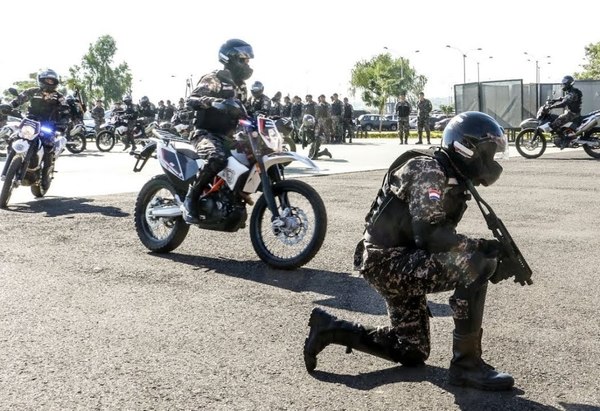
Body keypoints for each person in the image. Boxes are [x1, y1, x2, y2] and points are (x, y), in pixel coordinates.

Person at [303, 111, 515, 391]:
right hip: (386, 261)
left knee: (411, 350)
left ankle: (330, 328)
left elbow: (436, 236)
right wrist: (480, 248)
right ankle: (467, 366)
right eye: (488, 154)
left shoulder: (453, 177)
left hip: (400, 259)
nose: (491, 163)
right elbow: (430, 235)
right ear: (466, 149)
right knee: (474, 263)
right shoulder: (427, 169)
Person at [182, 38, 254, 224]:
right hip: (205, 133)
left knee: (254, 157)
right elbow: (192, 99)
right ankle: (191, 197)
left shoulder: (242, 87)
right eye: (244, 60)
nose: (247, 65)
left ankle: (234, 194)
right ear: (230, 58)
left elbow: (246, 113)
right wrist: (213, 101)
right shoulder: (215, 79)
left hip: (228, 136)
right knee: (217, 158)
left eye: (248, 61)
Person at [0, 69, 70, 189]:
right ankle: (9, 167)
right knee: (13, 138)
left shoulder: (59, 97)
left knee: (49, 146)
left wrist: (63, 122)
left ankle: (45, 176)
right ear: (41, 80)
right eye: (47, 79)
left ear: (55, 82)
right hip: (30, 121)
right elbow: (18, 100)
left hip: (48, 125)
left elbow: (65, 110)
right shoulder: (32, 91)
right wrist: (9, 106)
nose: (49, 82)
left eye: (52, 80)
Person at [549, 75, 582, 148]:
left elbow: (564, 103)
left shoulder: (573, 93)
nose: (563, 85)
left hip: (573, 114)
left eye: (565, 83)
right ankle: (566, 135)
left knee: (555, 124)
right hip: (571, 112)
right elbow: (564, 98)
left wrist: (552, 107)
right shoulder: (571, 91)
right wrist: (555, 100)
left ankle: (565, 140)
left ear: (569, 84)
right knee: (559, 121)